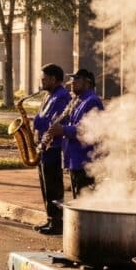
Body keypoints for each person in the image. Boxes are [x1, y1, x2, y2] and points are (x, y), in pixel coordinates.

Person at [30, 64, 72, 235]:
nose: (41, 82)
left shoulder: (61, 96)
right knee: (45, 185)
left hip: (53, 146)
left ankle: (57, 222)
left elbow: (56, 121)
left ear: (53, 79)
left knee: (53, 185)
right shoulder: (49, 96)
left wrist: (41, 124)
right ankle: (50, 218)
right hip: (44, 145)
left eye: (44, 79)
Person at [49, 69, 102, 199]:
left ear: (88, 83)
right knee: (78, 200)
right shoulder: (77, 101)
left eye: (77, 79)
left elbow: (87, 129)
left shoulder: (92, 100)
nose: (72, 82)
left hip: (85, 161)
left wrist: (63, 130)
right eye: (72, 79)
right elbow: (70, 123)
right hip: (74, 159)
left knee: (85, 202)